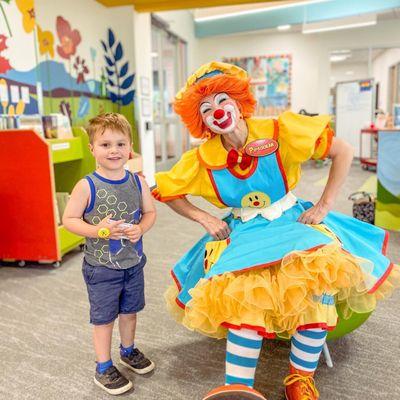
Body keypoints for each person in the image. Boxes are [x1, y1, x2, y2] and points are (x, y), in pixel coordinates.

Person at [152, 62, 400, 400]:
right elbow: (165, 190)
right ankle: (238, 388)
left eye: (222, 100)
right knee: (241, 289)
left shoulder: (278, 130)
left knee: (317, 278)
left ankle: (300, 379)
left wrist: (324, 205)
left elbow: (342, 151)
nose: (217, 111)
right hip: (244, 229)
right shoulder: (203, 158)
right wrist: (205, 218)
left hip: (291, 219)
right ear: (202, 121)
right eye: (206, 108)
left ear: (239, 103)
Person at [63, 113, 156, 395]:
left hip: (133, 263)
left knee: (130, 312)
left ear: (130, 148)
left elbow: (150, 212)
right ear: (92, 149)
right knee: (104, 318)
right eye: (105, 144)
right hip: (101, 267)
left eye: (120, 144)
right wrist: (99, 231)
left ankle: (128, 350)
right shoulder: (86, 186)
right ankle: (103, 366)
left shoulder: (137, 182)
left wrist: (141, 228)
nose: (114, 150)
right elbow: (70, 220)